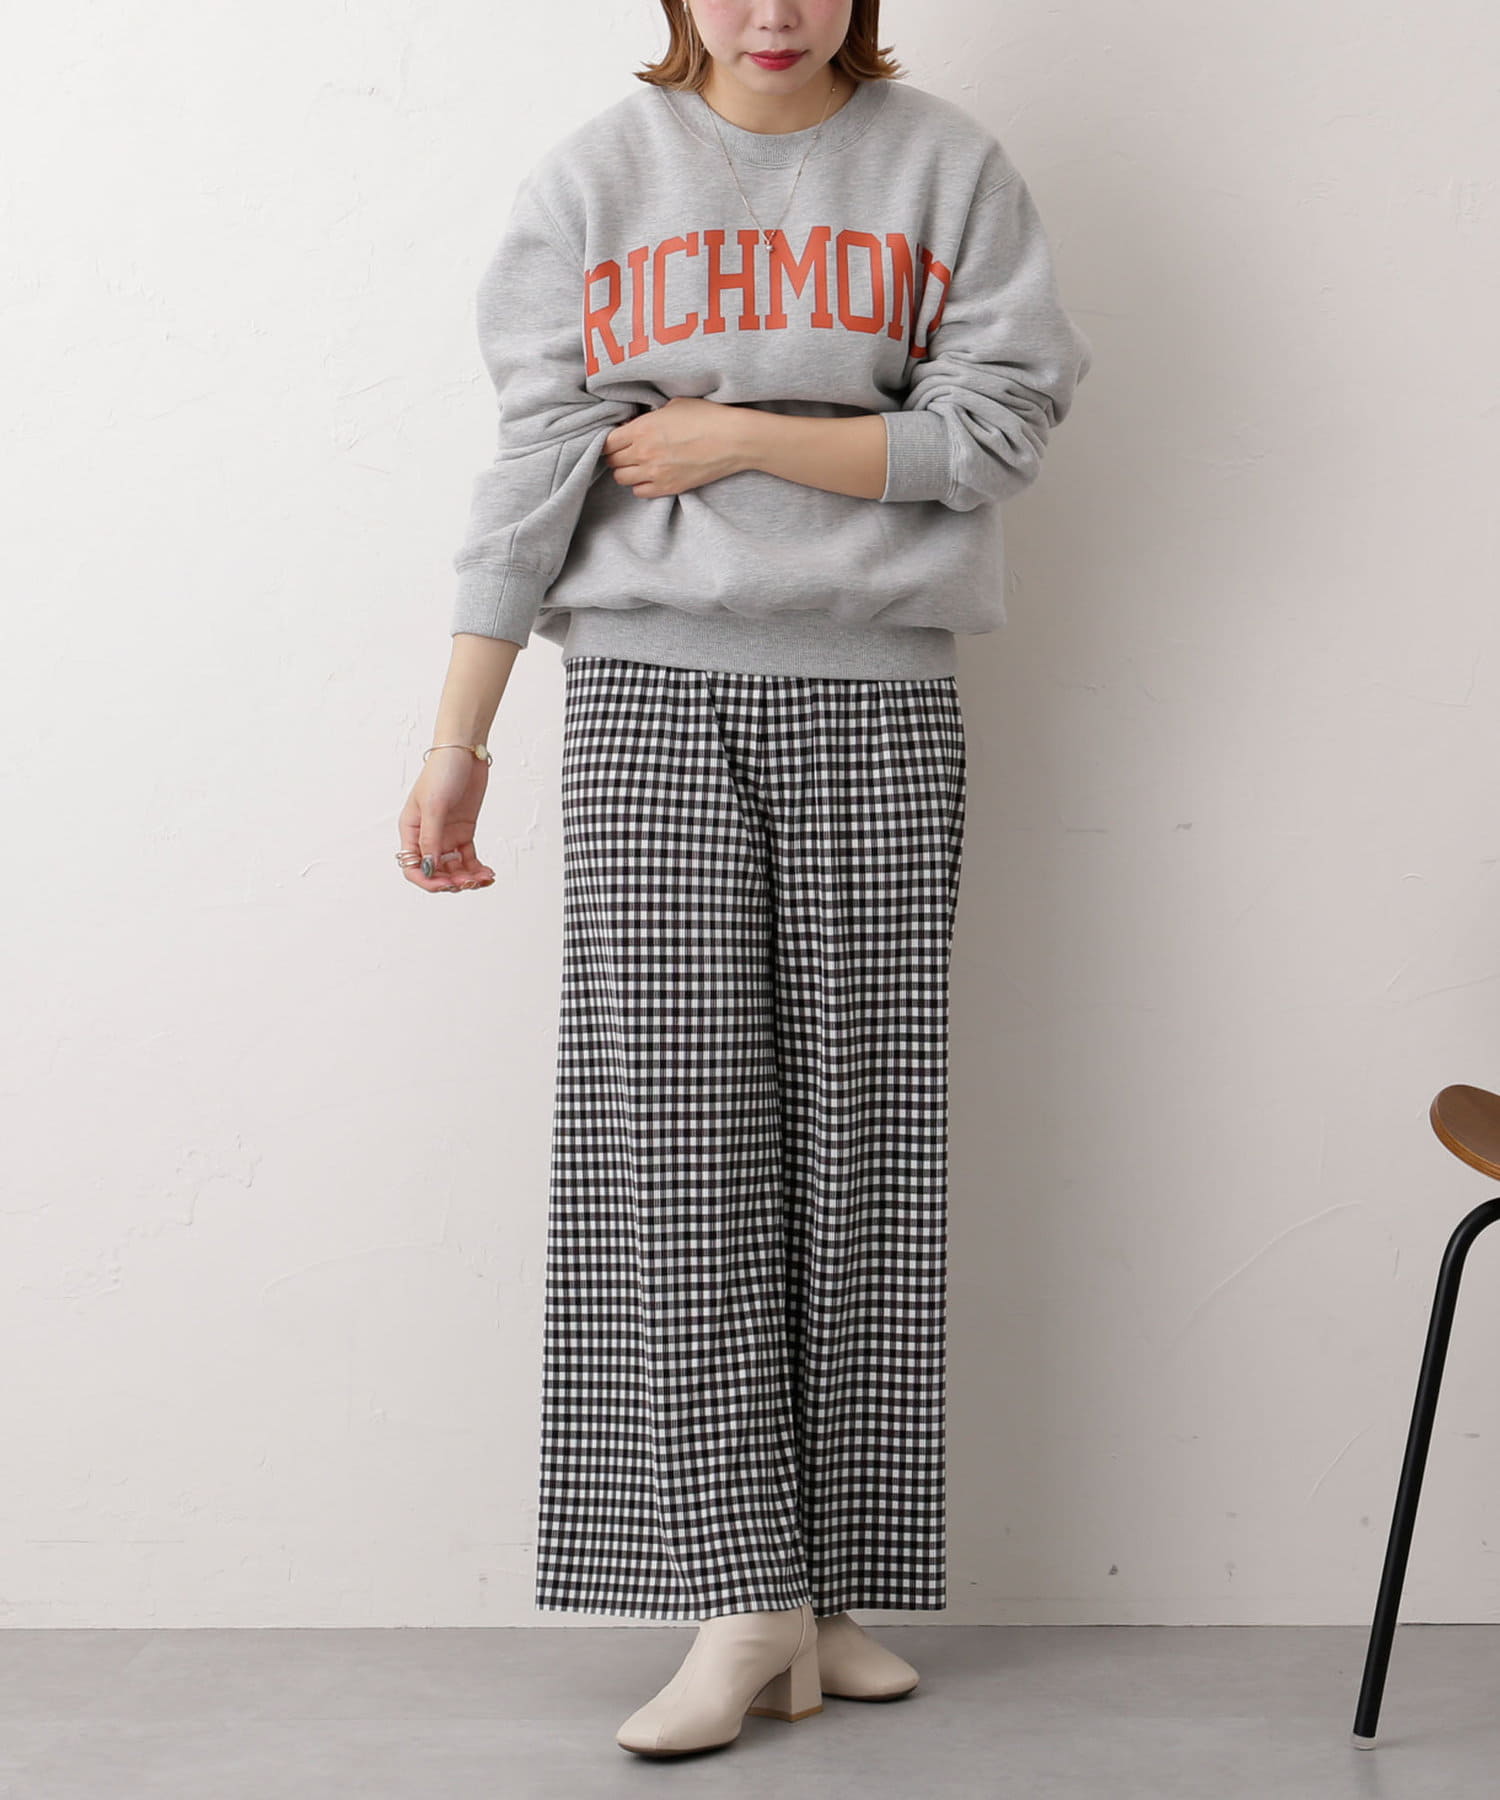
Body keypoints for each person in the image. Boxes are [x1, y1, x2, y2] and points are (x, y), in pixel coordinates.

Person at [395, 0, 1092, 1761]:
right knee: (682, 1145)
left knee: (865, 1141)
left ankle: (825, 1589)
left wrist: (741, 435)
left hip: (882, 697)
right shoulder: (597, 177)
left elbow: (1003, 427)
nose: (770, 10)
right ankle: (738, 1594)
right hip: (650, 693)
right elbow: (534, 470)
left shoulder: (944, 166)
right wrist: (462, 732)